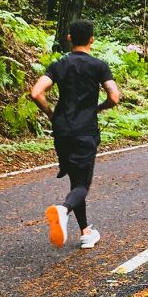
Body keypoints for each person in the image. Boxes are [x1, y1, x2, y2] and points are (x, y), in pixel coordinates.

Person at [30, 19, 121, 249]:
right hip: (84, 131)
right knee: (82, 184)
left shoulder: (59, 64)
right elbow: (114, 97)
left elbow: (36, 93)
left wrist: (52, 114)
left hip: (62, 132)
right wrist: (97, 108)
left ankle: (86, 232)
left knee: (75, 181)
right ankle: (63, 209)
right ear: (92, 39)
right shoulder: (99, 66)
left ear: (69, 37)